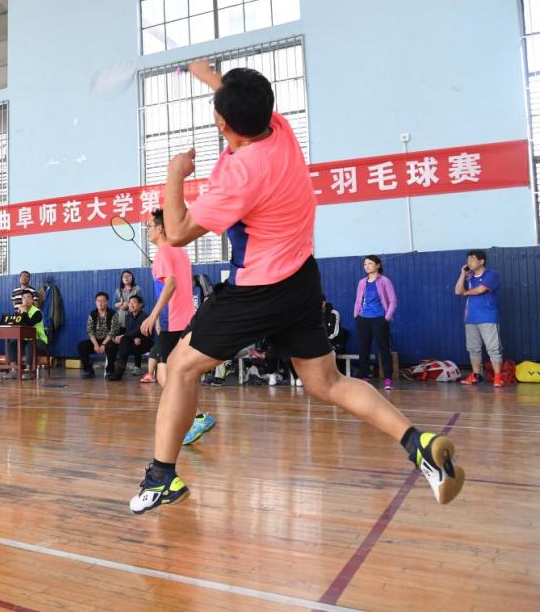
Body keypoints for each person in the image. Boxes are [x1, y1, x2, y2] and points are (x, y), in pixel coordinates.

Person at [129, 60, 464, 515]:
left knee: (180, 366)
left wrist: (174, 174)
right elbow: (241, 101)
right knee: (328, 381)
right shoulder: (279, 129)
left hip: (259, 289)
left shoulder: (241, 174)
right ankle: (418, 443)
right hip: (302, 280)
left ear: (222, 123)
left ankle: (161, 477)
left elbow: (178, 230)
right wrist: (208, 76)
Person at [140, 208, 216, 444]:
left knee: (165, 375)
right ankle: (193, 417)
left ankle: (197, 417)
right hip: (186, 320)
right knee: (177, 372)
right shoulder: (179, 251)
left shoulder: (163, 252)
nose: (148, 230)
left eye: (149, 226)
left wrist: (153, 316)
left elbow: (171, 285)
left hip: (172, 322)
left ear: (160, 228)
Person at [455, 249, 504, 386]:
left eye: (472, 259)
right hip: (470, 318)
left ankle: (498, 377)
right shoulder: (469, 276)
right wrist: (463, 274)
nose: (469, 262)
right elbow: (458, 291)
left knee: (493, 348)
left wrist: (466, 293)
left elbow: (481, 289)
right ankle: (476, 375)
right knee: (473, 348)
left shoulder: (492, 274)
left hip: (488, 317)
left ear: (481, 261)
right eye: (468, 260)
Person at [354, 255, 397, 390]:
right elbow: (358, 300)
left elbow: (393, 301)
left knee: (384, 348)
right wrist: (356, 315)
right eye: (365, 264)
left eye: (370, 263)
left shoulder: (384, 281)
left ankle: (388, 378)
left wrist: (386, 317)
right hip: (363, 319)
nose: (367, 266)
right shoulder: (362, 282)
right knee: (363, 349)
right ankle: (364, 377)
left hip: (379, 319)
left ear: (378, 265)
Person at [76, 292, 122, 379]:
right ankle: (89, 370)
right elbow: (90, 331)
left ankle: (110, 371)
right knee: (81, 346)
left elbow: (113, 331)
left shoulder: (113, 313)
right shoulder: (92, 314)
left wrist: (103, 344)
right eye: (98, 301)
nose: (100, 303)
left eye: (103, 301)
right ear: (95, 302)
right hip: (96, 340)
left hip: (109, 340)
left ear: (107, 302)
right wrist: (96, 345)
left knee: (111, 347)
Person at [4, 290, 46, 378]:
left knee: (29, 345)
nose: (26, 300)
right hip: (25, 339)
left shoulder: (38, 312)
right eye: (24, 298)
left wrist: (24, 312)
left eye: (29, 298)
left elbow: (29, 324)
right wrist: (18, 314)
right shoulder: (19, 311)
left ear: (33, 300)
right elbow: (15, 324)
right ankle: (14, 370)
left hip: (39, 340)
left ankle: (28, 371)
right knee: (11, 344)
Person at [110, 295, 152, 380]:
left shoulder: (145, 317)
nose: (131, 305)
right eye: (130, 303)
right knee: (117, 342)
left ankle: (119, 371)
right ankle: (114, 370)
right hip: (133, 342)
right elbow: (129, 332)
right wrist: (132, 338)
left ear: (140, 305)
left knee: (124, 339)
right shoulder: (128, 317)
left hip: (145, 342)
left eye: (134, 302)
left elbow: (138, 330)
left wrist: (125, 336)